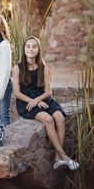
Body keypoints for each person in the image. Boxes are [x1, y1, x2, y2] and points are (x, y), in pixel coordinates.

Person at [12, 36, 79, 171]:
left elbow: (48, 92)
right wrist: (33, 102)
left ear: (38, 49)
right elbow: (17, 93)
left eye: (34, 46)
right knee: (48, 120)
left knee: (59, 117)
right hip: (27, 102)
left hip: (43, 99)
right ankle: (64, 157)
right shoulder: (17, 68)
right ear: (24, 49)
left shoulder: (44, 68)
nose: (31, 49)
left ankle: (56, 159)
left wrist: (38, 100)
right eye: (28, 46)